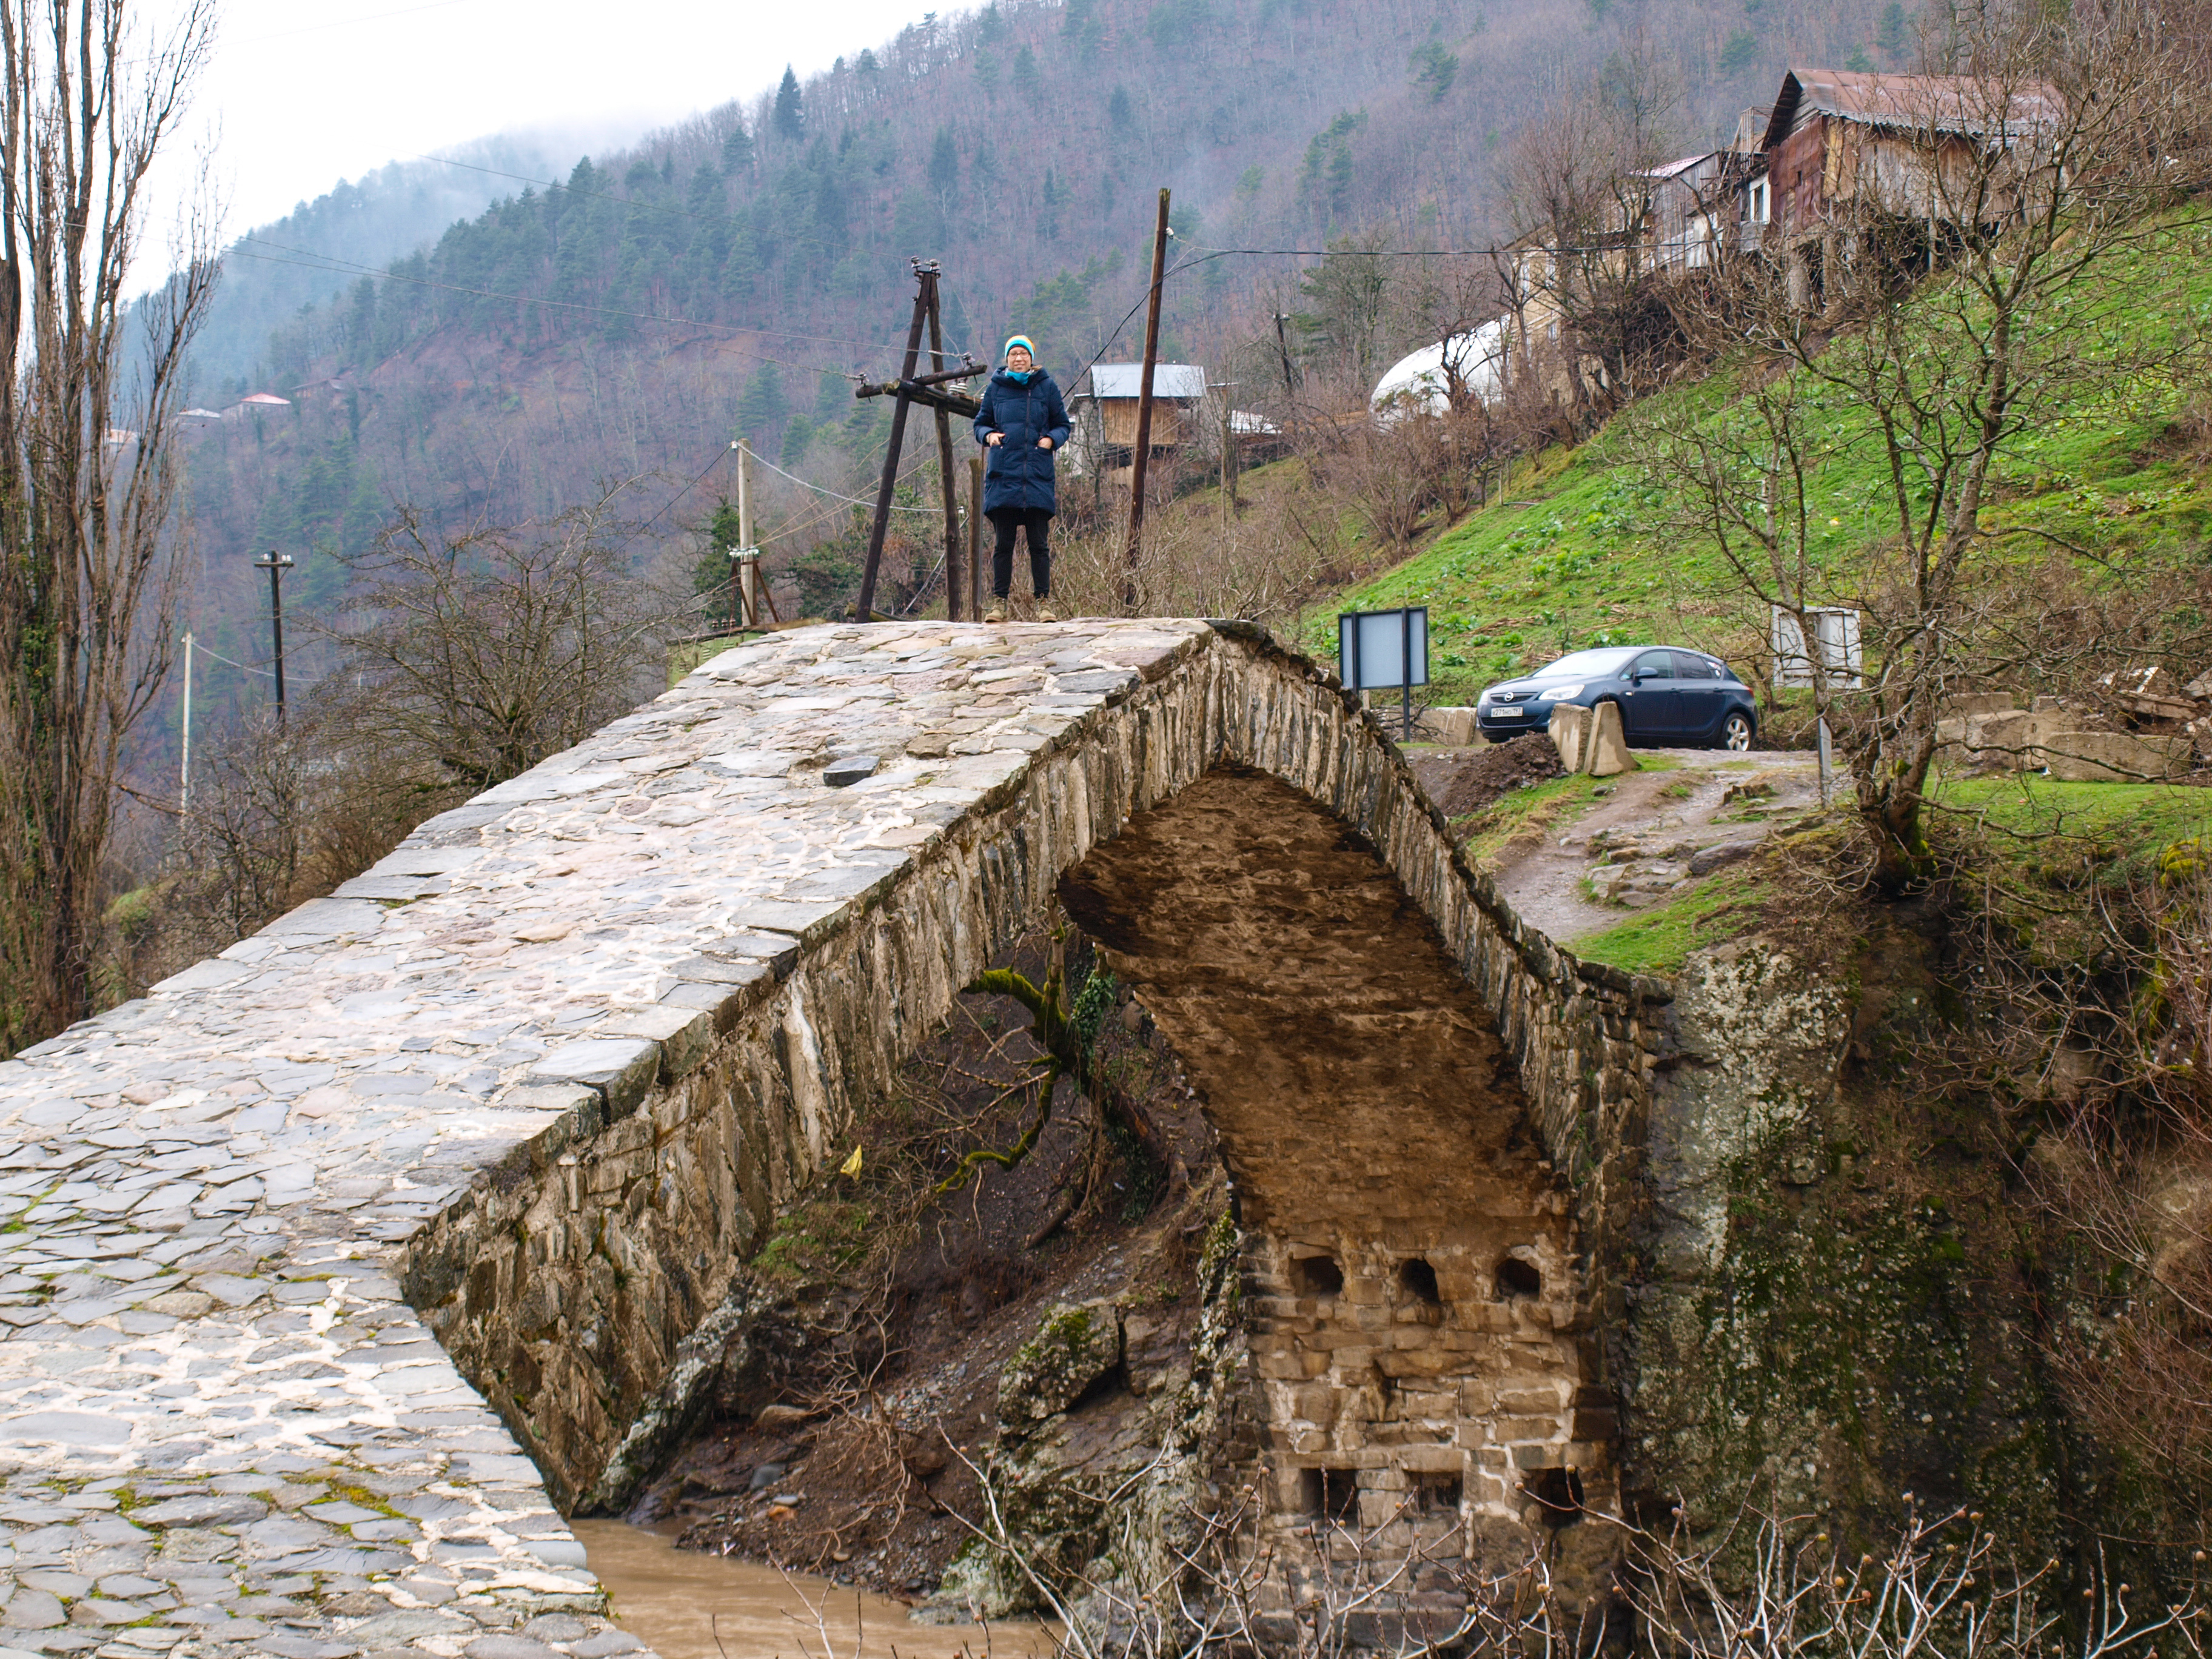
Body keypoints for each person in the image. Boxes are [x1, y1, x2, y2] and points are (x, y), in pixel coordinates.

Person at [973, 334, 1070, 623]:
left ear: (1031, 358)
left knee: (1039, 546)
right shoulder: (995, 388)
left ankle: (1044, 605)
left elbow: (1062, 424)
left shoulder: (1047, 387)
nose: (1018, 358)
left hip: (1037, 477)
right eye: (1013, 354)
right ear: (1007, 359)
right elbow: (980, 424)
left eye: (1023, 354)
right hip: (1004, 475)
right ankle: (999, 605)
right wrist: (989, 436)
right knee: (1003, 545)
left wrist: (1051, 441)